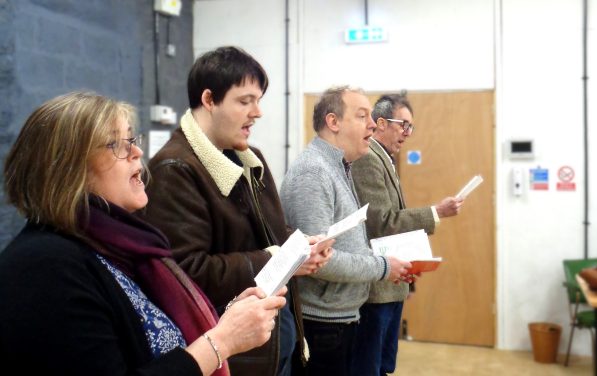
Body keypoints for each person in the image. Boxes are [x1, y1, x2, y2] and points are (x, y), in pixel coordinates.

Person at [0, 91, 286, 375]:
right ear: (68, 169)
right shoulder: (46, 265)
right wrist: (222, 341)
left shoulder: (118, 246)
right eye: (116, 144)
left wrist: (229, 320)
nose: (136, 151)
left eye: (132, 139)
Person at [140, 46, 332, 376]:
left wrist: (301, 251)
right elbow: (187, 272)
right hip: (231, 355)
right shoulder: (175, 169)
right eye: (245, 101)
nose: (257, 112)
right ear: (209, 100)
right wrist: (279, 258)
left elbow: (270, 236)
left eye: (258, 100)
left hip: (270, 340)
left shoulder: (247, 157)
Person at [279, 86, 412, 376]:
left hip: (340, 318)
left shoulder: (338, 166)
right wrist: (383, 267)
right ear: (333, 122)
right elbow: (319, 261)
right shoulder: (313, 173)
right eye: (362, 116)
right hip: (322, 325)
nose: (373, 124)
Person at [349, 94, 463, 375]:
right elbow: (382, 223)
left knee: (383, 366)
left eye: (411, 127)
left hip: (393, 284)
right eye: (404, 125)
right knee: (370, 368)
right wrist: (436, 212)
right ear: (381, 123)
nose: (407, 134)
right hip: (376, 290)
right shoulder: (368, 160)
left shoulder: (384, 158)